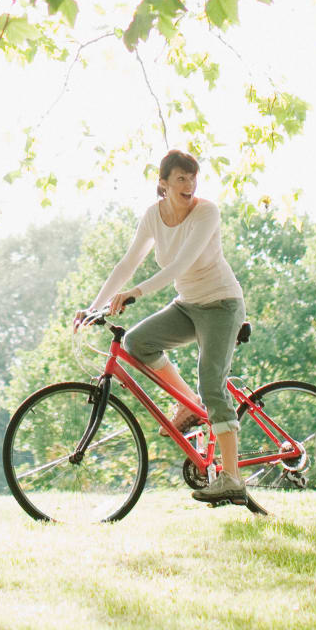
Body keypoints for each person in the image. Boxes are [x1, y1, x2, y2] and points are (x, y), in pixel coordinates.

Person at [85, 149, 249, 505]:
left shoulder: (206, 212)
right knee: (137, 342)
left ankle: (233, 478)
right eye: (181, 179)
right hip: (188, 306)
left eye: (193, 178)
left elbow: (181, 263)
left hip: (222, 305)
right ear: (163, 184)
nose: (189, 185)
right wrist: (93, 308)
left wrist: (136, 293)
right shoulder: (153, 217)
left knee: (212, 383)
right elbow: (128, 262)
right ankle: (189, 403)